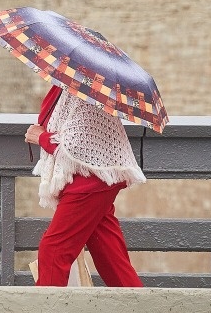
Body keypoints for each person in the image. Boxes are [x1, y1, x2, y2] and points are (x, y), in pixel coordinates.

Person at [24, 85, 146, 287]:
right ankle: (139, 305)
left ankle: (46, 306)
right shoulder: (72, 85)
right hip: (96, 181)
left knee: (54, 249)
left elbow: (79, 146)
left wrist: (41, 137)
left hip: (89, 183)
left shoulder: (89, 90)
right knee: (110, 256)